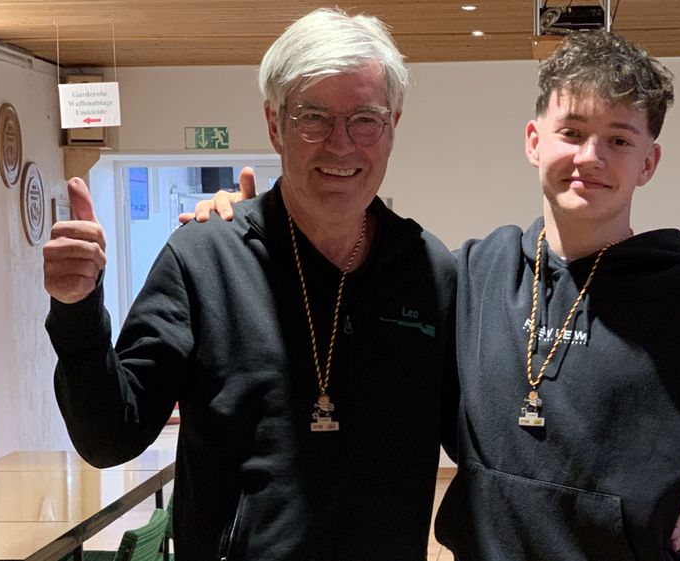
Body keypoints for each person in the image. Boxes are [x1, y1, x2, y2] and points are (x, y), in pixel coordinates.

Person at [195, 29, 680, 561]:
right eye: (572, 131)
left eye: (619, 139)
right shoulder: (472, 274)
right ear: (534, 140)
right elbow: (351, 315)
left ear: (649, 161)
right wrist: (257, 226)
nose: (590, 157)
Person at [43, 9, 458, 560]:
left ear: (393, 125)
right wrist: (77, 310)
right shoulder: (203, 260)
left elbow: (483, 441)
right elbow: (109, 437)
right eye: (313, 117)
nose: (341, 144)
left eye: (366, 118)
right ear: (274, 123)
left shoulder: (428, 270)